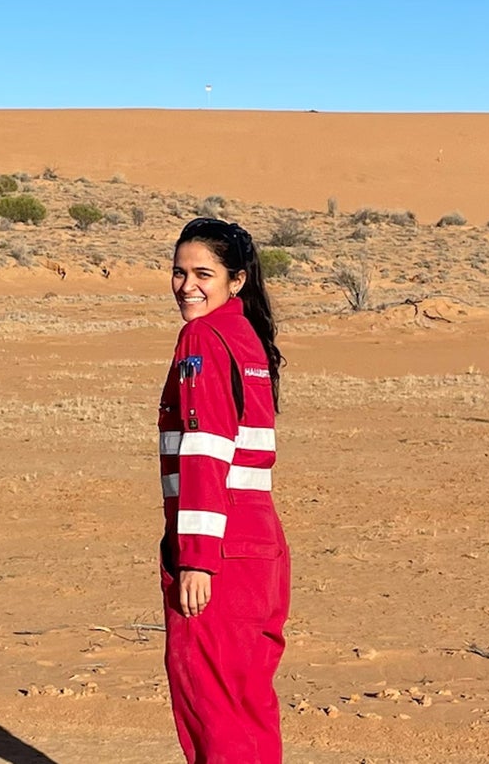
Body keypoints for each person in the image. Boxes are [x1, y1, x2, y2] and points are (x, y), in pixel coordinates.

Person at [157, 216, 290, 764]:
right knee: (248, 703)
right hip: (259, 544)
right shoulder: (246, 337)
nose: (187, 286)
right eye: (178, 272)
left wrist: (196, 559)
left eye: (203, 273)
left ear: (236, 281)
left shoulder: (203, 337)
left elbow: (206, 452)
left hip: (222, 548)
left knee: (214, 711)